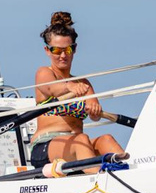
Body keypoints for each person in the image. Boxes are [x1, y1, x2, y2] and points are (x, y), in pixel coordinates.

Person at [29, 11, 126, 171]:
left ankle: (130, 176)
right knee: (81, 140)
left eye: (67, 50)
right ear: (47, 50)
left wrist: (94, 111)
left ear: (74, 49)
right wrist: (69, 87)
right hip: (45, 146)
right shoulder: (44, 73)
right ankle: (101, 183)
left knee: (106, 139)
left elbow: (94, 115)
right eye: (56, 50)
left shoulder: (83, 83)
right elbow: (53, 88)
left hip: (78, 143)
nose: (62, 55)